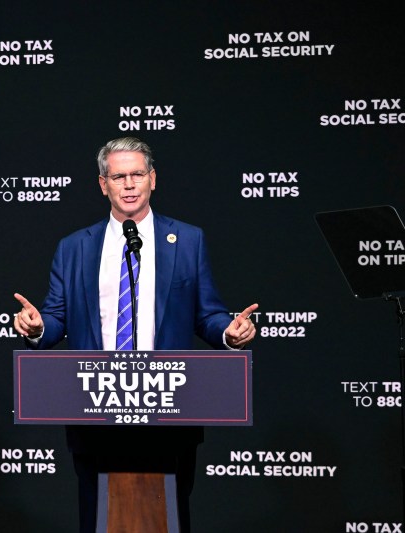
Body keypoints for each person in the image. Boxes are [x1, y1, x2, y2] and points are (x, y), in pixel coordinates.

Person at [13, 137, 257, 533]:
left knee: (170, 518)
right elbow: (56, 318)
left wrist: (230, 332)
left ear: (153, 180)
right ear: (103, 184)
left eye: (137, 175)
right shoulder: (74, 247)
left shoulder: (188, 240)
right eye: (118, 176)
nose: (129, 184)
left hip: (170, 409)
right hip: (94, 409)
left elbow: (207, 314)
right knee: (98, 519)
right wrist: (38, 327)